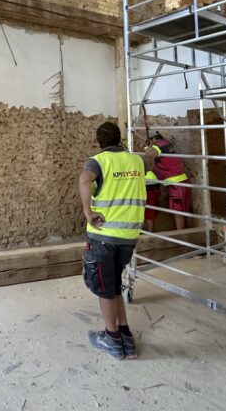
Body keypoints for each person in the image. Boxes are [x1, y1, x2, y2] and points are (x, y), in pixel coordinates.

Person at [78, 121, 145, 360]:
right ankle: (125, 336)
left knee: (105, 289)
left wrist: (88, 212)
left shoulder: (98, 161)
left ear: (99, 141)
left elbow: (84, 180)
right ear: (120, 139)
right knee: (114, 284)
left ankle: (112, 338)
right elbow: (151, 159)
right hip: (128, 237)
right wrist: (152, 151)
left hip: (104, 236)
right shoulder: (137, 161)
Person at [145, 133, 190, 230]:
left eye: (150, 141)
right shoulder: (166, 144)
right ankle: (182, 232)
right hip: (180, 182)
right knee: (180, 210)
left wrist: (148, 147)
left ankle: (181, 235)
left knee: (178, 212)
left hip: (175, 184)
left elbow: (151, 154)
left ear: (154, 139)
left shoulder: (158, 144)